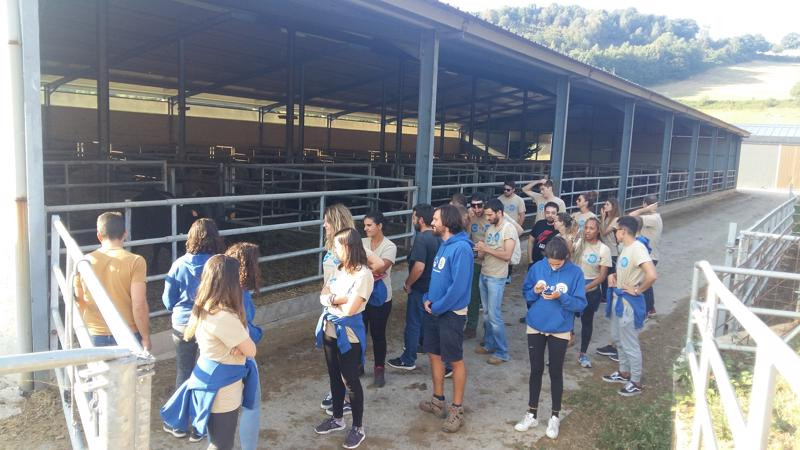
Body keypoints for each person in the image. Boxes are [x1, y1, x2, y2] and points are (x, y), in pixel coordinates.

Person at [161, 255, 258, 450]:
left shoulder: (204, 307)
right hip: (223, 387)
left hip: (210, 380)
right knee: (222, 443)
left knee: (217, 439)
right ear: (230, 282)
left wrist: (239, 346)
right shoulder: (224, 317)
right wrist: (240, 345)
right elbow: (251, 350)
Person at [517, 237, 587, 439]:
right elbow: (527, 295)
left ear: (566, 258)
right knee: (535, 369)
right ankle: (532, 413)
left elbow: (579, 304)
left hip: (560, 328)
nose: (554, 267)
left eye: (558, 264)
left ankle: (555, 416)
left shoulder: (575, 273)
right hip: (536, 325)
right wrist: (535, 291)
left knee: (555, 371)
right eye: (551, 263)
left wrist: (561, 297)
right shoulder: (538, 267)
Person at [314, 228, 373, 449]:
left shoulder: (363, 274)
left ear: (348, 247)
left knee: (349, 380)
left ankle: (358, 427)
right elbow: (322, 295)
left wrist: (332, 299)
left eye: (337, 246)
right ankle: (337, 419)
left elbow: (350, 310)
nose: (334, 250)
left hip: (349, 335)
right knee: (334, 376)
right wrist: (338, 298)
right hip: (330, 329)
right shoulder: (339, 269)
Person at [418, 205, 473, 433]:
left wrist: (437, 306)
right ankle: (438, 400)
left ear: (447, 223)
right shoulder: (444, 245)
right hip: (435, 310)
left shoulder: (461, 248)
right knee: (435, 355)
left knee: (455, 359)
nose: (432, 221)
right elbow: (438, 279)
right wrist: (427, 298)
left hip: (450, 314)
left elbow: (458, 288)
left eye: (436, 219)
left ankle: (457, 409)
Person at [163, 218, 224, 398]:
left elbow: (168, 300)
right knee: (209, 367)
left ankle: (178, 419)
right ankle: (205, 412)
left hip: (183, 323)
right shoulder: (219, 265)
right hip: (210, 322)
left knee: (184, 370)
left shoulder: (178, 265)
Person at [75, 212, 150, 349]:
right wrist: (145, 337)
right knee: (128, 371)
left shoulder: (84, 262)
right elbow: (139, 305)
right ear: (125, 234)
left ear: (99, 236)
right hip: (127, 332)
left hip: (95, 333)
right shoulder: (136, 261)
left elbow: (79, 302)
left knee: (99, 371)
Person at [602, 216, 658, 397]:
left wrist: (637, 290)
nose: (615, 233)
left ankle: (635, 381)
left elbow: (652, 275)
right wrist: (614, 277)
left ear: (623, 231)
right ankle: (624, 372)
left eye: (616, 230)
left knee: (630, 343)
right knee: (618, 338)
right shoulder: (626, 248)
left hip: (628, 303)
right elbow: (626, 270)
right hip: (619, 300)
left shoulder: (637, 249)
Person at [388, 204, 441, 371]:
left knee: (413, 323)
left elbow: (419, 267)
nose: (412, 221)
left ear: (421, 220)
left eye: (413, 217)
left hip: (420, 288)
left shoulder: (421, 239)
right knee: (431, 322)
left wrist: (408, 284)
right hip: (435, 288)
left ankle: (408, 358)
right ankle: (428, 349)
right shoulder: (438, 237)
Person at [224, 242, 264, 450]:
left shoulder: (218, 290)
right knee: (252, 405)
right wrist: (259, 332)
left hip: (217, 358)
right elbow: (246, 330)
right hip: (242, 356)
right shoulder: (242, 295)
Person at [474, 199, 517, 364]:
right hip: (485, 273)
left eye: (490, 214)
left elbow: (507, 255)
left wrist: (486, 249)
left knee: (494, 315)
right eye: (487, 215)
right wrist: (480, 250)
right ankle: (490, 344)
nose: (488, 217)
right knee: (486, 313)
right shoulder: (490, 228)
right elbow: (484, 253)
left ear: (499, 212)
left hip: (497, 277)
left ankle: (502, 351)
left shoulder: (508, 229)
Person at [361, 211, 397, 388]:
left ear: (379, 226)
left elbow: (381, 268)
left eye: (369, 225)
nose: (365, 228)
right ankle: (358, 365)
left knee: (378, 334)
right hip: (362, 295)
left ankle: (379, 368)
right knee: (359, 332)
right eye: (365, 225)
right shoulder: (362, 242)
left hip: (381, 296)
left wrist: (364, 266)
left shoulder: (390, 246)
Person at [573, 218, 611, 368]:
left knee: (586, 322)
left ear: (598, 231)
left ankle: (583, 353)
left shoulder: (603, 249)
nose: (587, 231)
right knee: (566, 320)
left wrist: (585, 288)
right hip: (574, 289)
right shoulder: (579, 244)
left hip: (591, 291)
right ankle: (559, 352)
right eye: (586, 228)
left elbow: (602, 277)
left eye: (591, 228)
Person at [519, 201, 560, 324]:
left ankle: (543, 317)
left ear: (557, 214)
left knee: (546, 292)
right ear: (544, 213)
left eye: (553, 213)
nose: (550, 215)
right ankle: (530, 314)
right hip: (534, 264)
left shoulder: (558, 229)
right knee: (531, 290)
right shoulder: (539, 224)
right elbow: (531, 241)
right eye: (548, 212)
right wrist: (530, 260)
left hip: (549, 268)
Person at [596, 197, 622, 362]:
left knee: (608, 276)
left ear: (613, 207)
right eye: (605, 204)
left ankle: (606, 296)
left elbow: (603, 232)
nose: (605, 206)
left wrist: (602, 217)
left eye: (607, 204)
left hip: (612, 252)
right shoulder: (607, 218)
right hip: (605, 251)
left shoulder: (615, 219)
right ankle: (604, 296)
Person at [629, 195, 663, 317]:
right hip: (650, 255)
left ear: (645, 204)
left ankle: (649, 309)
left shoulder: (652, 219)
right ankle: (649, 307)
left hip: (649, 256)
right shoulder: (655, 218)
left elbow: (630, 217)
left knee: (645, 283)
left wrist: (644, 210)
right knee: (644, 282)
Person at [464, 192, 490, 339]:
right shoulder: (471, 218)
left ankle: (489, 334)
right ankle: (471, 326)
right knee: (473, 295)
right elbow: (467, 236)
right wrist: (468, 221)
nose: (476, 208)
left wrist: (484, 250)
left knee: (487, 298)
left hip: (489, 262)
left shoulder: (491, 217)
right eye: (473, 205)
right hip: (474, 261)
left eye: (479, 205)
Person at [498, 180, 526, 284]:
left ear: (513, 190)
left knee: (511, 252)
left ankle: (508, 274)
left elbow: (522, 216)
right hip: (501, 229)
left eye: (508, 190)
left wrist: (517, 229)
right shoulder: (499, 199)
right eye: (504, 189)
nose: (505, 191)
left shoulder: (519, 200)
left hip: (512, 229)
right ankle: (502, 273)